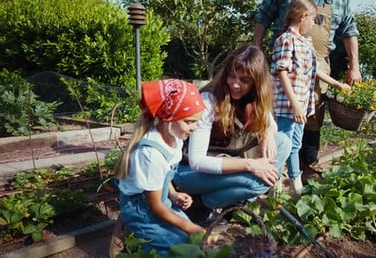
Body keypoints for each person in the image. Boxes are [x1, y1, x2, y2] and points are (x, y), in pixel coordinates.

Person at [173, 44, 292, 224]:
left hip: (225, 162)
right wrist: (250, 165)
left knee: (283, 141)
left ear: (256, 82)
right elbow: (197, 161)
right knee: (257, 183)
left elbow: (271, 124)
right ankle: (204, 203)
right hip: (189, 174)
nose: (235, 84)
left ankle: (214, 201)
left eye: (244, 80)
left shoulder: (257, 98)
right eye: (231, 76)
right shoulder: (210, 99)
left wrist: (268, 133)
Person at [253, 0, 362, 170]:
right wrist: (255, 51)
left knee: (312, 116)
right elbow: (263, 15)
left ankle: (306, 166)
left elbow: (349, 28)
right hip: (285, 62)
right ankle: (275, 169)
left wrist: (354, 66)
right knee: (281, 117)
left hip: (317, 62)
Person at [113, 79, 206, 256]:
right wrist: (190, 226)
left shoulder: (176, 139)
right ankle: (130, 231)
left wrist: (173, 194)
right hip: (142, 210)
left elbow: (163, 177)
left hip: (161, 202)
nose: (194, 128)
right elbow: (154, 206)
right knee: (175, 249)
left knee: (190, 242)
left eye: (196, 121)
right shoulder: (151, 154)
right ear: (167, 118)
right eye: (189, 121)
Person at [271, 0, 350, 197]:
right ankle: (275, 184)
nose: (314, 24)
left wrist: (337, 83)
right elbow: (281, 72)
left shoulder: (305, 42)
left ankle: (295, 181)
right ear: (302, 16)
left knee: (296, 144)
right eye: (313, 20)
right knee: (283, 144)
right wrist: (295, 104)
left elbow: (314, 71)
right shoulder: (286, 40)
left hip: (301, 105)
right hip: (288, 105)